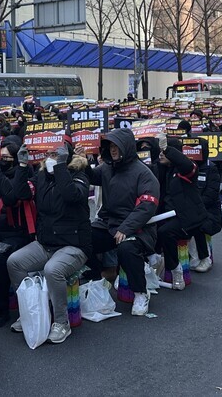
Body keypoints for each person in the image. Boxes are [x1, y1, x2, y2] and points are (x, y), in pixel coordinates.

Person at [6, 142, 90, 344]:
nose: (51, 156)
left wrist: (61, 166)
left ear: (66, 156)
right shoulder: (42, 176)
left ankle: (62, 322)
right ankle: (30, 312)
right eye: (49, 152)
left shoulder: (79, 175)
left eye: (57, 153)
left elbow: (71, 195)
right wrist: (22, 166)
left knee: (53, 270)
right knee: (14, 262)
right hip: (46, 244)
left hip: (74, 245)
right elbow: (21, 193)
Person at [84, 128, 159, 316]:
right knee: (83, 237)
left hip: (138, 227)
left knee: (127, 248)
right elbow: (93, 177)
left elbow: (147, 206)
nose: (113, 150)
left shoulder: (144, 173)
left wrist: (126, 228)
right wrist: (83, 161)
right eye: (110, 146)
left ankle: (141, 292)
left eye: (116, 146)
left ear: (126, 146)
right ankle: (97, 279)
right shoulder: (108, 167)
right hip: (109, 223)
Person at [0, 136, 34, 328]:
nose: (2, 161)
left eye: (7, 158)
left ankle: (0, 308)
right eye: (0, 157)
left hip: (16, 234)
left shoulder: (23, 176)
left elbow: (11, 197)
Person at [157, 135, 221, 282]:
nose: (160, 154)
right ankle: (156, 265)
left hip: (190, 217)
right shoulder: (163, 169)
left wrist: (168, 149)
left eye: (164, 152)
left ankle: (176, 268)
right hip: (168, 215)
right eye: (159, 151)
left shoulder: (186, 169)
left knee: (165, 232)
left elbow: (188, 166)